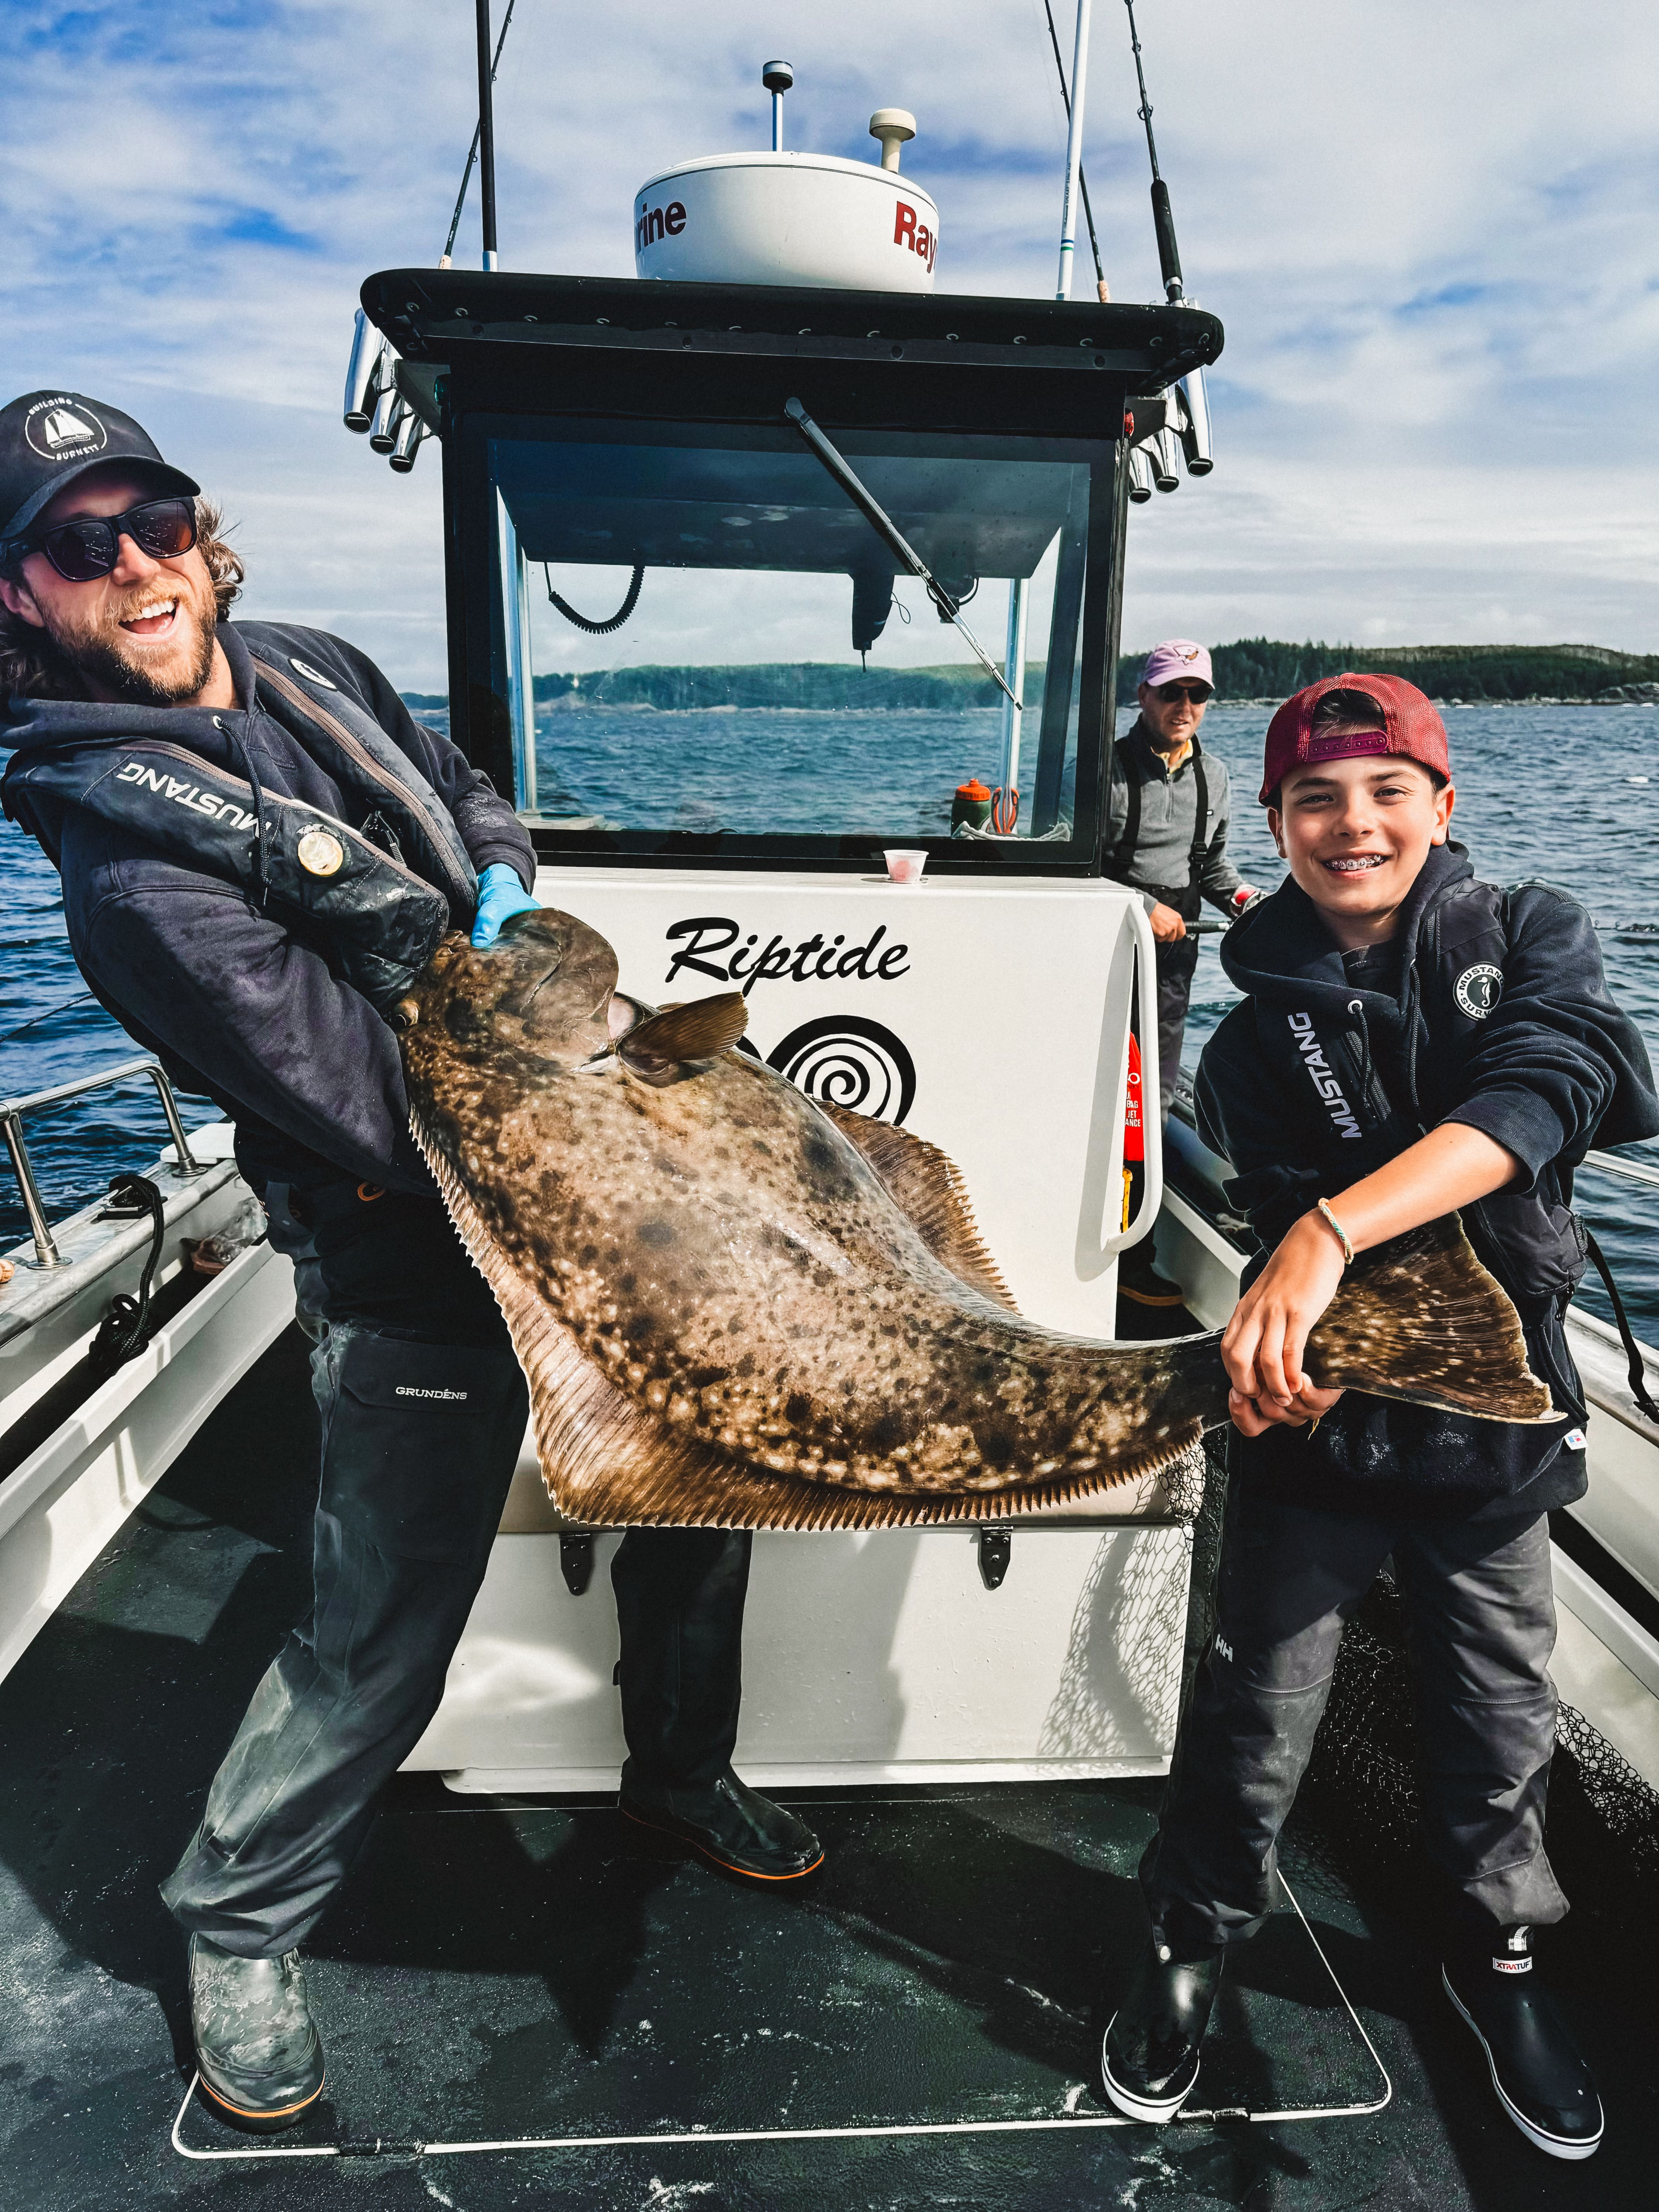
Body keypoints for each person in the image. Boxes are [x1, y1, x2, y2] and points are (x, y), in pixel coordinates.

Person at [0, 390, 823, 2136]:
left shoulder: (308, 660)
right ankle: (238, 1920)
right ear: (21, 594)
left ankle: (679, 1773)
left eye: (156, 520)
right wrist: (642, 1145)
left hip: (589, 1194)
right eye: (84, 543)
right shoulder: (133, 882)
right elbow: (386, 1112)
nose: (139, 564)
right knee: (381, 1625)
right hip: (415, 1263)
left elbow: (460, 792)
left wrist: (509, 883)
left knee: (694, 1506)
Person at [1101, 674, 1659, 2161]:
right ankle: (1190, 1935)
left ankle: (1503, 1961)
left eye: (1384, 790)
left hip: (1497, 1427)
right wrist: (1287, 1334)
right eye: (1314, 800)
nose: (1353, 824)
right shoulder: (1240, 1045)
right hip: (1326, 1432)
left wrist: (1328, 1232)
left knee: (1496, 1716)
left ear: (1440, 805)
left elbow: (1567, 1078)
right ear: (1273, 825)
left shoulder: (1533, 930)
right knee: (1252, 1710)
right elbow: (1277, 1235)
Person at [1106, 641, 1260, 1127]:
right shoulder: (1099, 772)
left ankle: (1145, 1169)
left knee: (1158, 1077)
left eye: (1198, 696)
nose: (1185, 707)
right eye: (1173, 692)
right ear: (1144, 695)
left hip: (1176, 950)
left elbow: (1212, 867)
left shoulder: (1215, 777)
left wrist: (1247, 900)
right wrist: (1142, 905)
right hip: (1105, 939)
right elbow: (1074, 870)